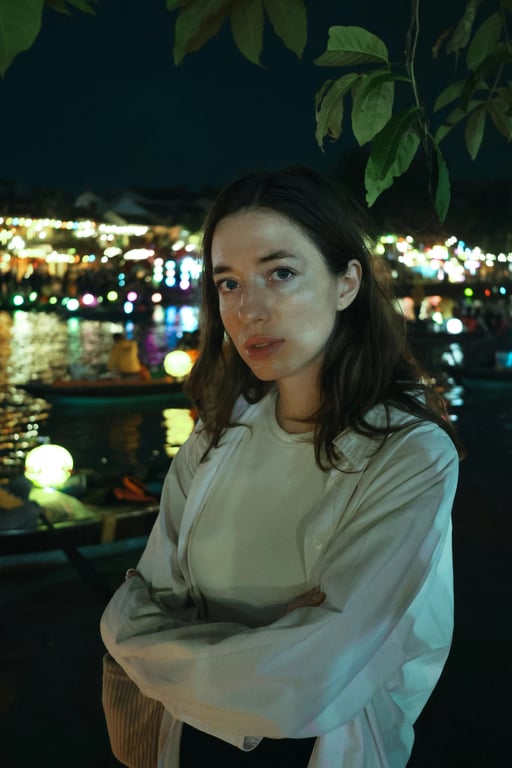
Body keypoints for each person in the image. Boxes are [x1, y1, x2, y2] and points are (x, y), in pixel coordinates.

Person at [100, 166, 462, 768]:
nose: (249, 310)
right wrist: (265, 638)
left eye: (281, 273)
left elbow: (312, 675)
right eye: (229, 283)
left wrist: (176, 635)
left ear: (346, 283)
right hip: (184, 744)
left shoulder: (410, 456)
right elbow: (130, 616)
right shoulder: (215, 437)